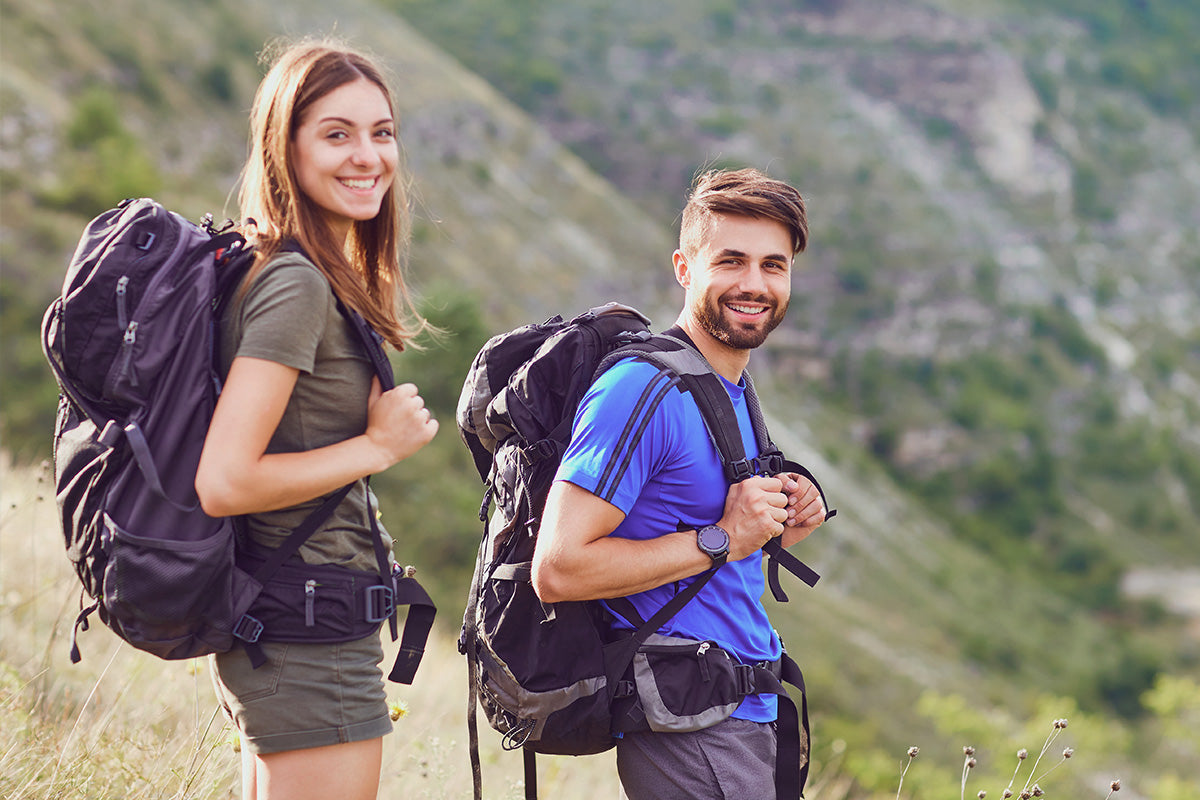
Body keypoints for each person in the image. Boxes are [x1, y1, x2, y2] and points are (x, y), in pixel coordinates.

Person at [531, 167, 828, 799]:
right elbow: (557, 568)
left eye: (774, 266)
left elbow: (705, 550)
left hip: (746, 715)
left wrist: (777, 524)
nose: (754, 285)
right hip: (692, 730)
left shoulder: (729, 383)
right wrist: (722, 536)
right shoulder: (642, 389)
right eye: (732, 261)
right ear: (683, 267)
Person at [194, 39, 438, 800]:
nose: (368, 156)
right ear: (284, 147)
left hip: (289, 622)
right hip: (303, 630)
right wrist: (377, 446)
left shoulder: (285, 266)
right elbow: (225, 481)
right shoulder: (295, 281)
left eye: (381, 131)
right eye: (337, 134)